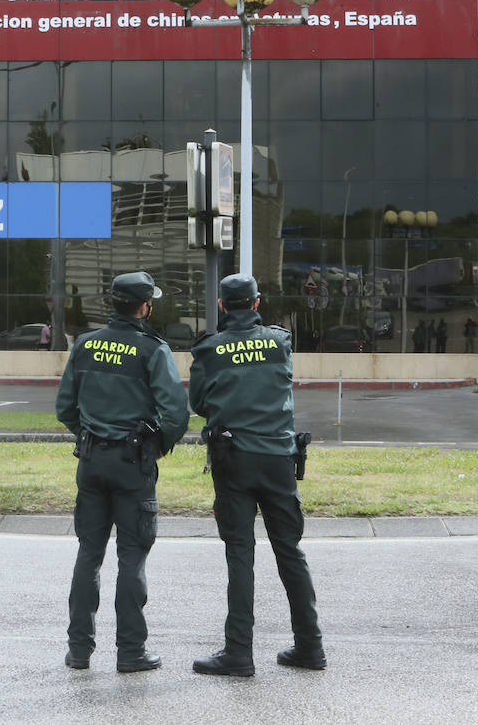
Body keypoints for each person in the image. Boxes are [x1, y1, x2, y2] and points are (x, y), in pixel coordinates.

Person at [188, 273, 324, 677]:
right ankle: (310, 647)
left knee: (240, 555)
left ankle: (238, 654)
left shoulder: (209, 350)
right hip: (280, 458)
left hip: (235, 462)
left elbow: (198, 403)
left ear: (222, 306)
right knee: (290, 553)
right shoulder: (280, 341)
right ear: (257, 303)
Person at [56, 270, 189, 674]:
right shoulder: (152, 349)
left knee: (88, 555)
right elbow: (177, 413)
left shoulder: (85, 344)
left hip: (92, 462)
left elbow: (65, 407)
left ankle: (79, 650)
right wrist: (156, 446)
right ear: (145, 306)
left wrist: (91, 435)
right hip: (134, 465)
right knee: (132, 558)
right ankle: (130, 653)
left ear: (113, 303)